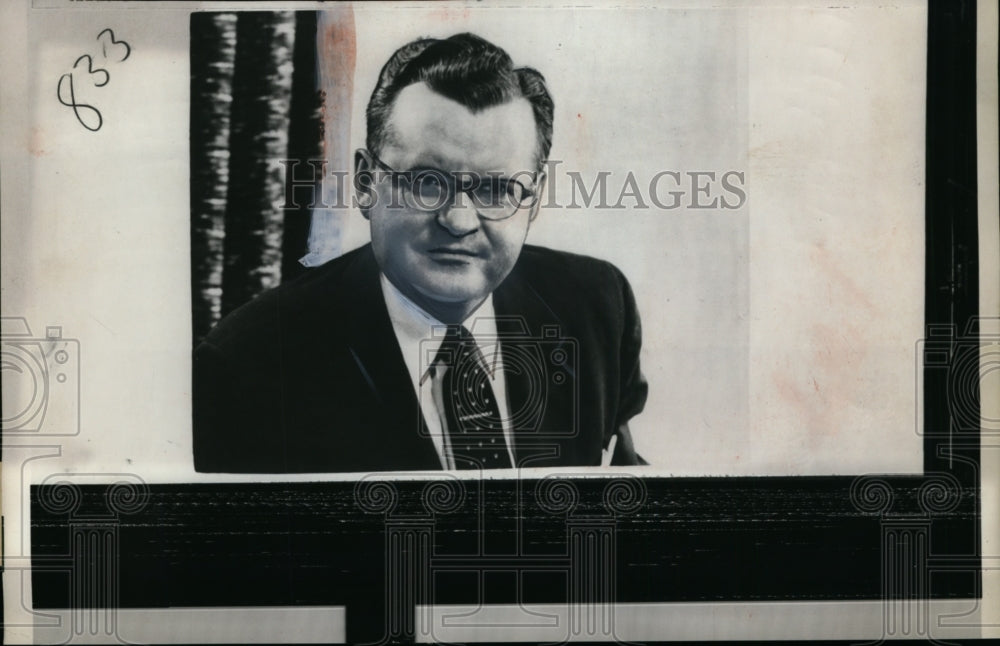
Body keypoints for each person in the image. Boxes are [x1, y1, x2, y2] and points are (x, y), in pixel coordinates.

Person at [193, 32, 648, 473]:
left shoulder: (598, 307)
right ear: (366, 184)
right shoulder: (248, 367)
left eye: (495, 188)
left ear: (534, 198)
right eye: (426, 183)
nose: (459, 220)